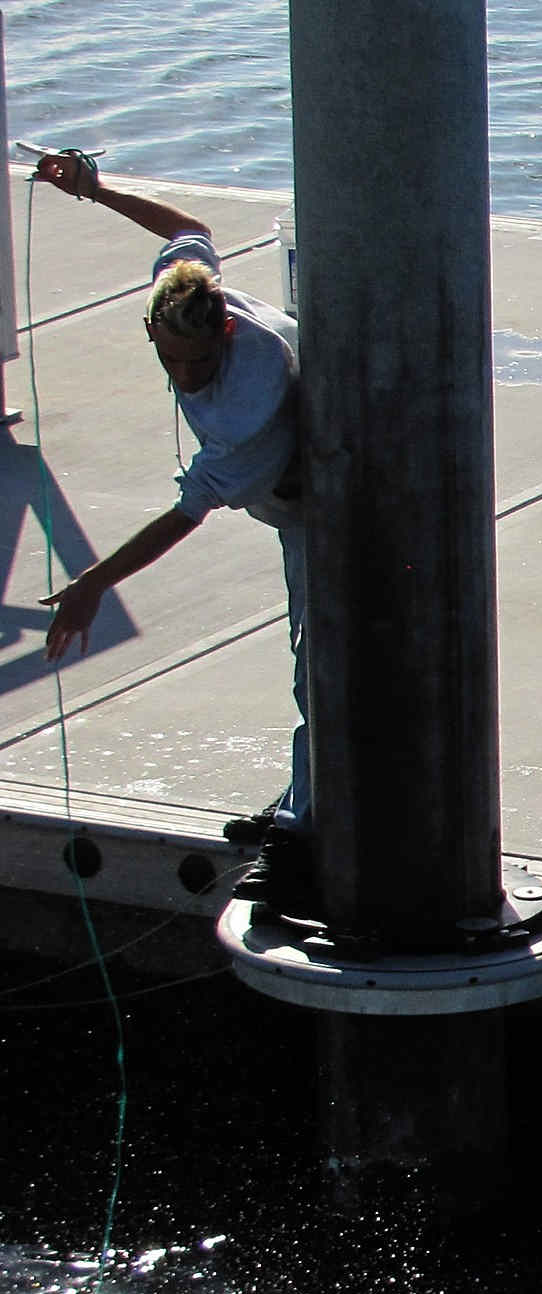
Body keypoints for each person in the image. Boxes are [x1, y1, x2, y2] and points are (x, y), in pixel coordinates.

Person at [35, 150, 315, 913]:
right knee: (314, 665)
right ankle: (308, 794)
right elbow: (188, 232)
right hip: (289, 489)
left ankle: (299, 839)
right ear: (152, 327)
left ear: (226, 329)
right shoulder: (189, 292)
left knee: (317, 669)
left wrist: (94, 582)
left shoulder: (248, 398)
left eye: (199, 362)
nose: (186, 376)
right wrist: (95, 190)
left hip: (323, 507)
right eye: (171, 361)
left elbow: (186, 514)